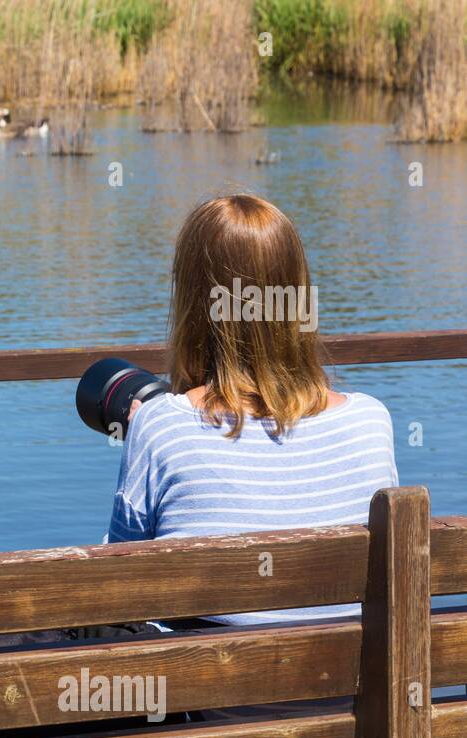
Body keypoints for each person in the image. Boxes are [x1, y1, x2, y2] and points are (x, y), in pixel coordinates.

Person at [110, 193, 399, 626]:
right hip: (351, 692)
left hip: (206, 691)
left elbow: (116, 592)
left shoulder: (162, 426)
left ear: (192, 302)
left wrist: (148, 434)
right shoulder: (370, 421)